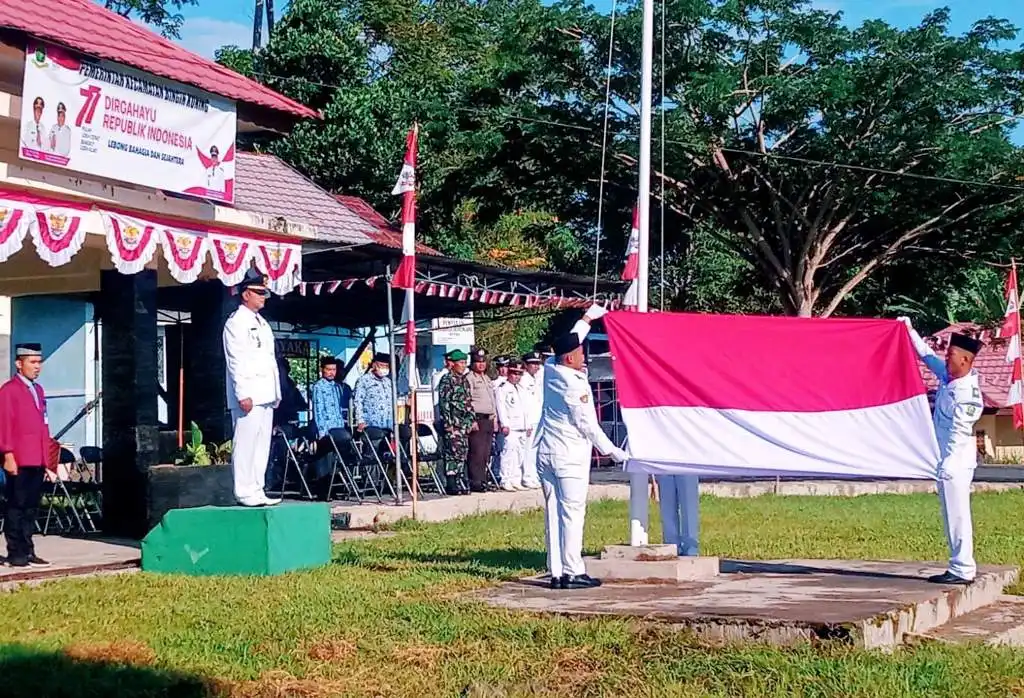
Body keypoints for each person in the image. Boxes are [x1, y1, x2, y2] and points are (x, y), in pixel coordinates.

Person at [535, 305, 627, 590]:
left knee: (553, 513)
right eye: (580, 354)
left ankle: (556, 572)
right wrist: (615, 452)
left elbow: (572, 337)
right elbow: (589, 426)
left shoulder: (551, 368)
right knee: (572, 513)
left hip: (545, 453)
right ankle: (573, 571)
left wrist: (588, 317)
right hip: (568, 457)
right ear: (570, 358)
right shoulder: (575, 386)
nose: (584, 357)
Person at [901, 318, 984, 584]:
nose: (945, 360)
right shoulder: (950, 378)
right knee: (952, 515)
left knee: (957, 516)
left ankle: (962, 568)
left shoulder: (967, 394)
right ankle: (960, 565)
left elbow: (959, 433)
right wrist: (910, 331)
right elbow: (926, 356)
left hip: (955, 461)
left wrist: (947, 464)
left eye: (951, 356)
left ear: (966, 361)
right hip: (948, 459)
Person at [223, 268, 282, 507]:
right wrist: (242, 393)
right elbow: (236, 360)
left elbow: (269, 360)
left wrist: (276, 391)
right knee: (246, 443)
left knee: (261, 444)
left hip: (265, 392)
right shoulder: (236, 323)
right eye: (259, 292)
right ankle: (243, 489)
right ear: (246, 294)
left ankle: (257, 488)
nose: (263, 297)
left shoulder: (263, 323)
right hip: (249, 393)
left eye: (265, 293)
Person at [0, 343, 56, 567]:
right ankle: (16, 552)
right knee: (17, 504)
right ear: (19, 364)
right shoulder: (9, 390)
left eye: (39, 362)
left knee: (31, 506)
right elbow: (4, 424)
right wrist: (7, 454)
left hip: (37, 457)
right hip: (19, 458)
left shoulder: (38, 390)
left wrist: (48, 459)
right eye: (32, 362)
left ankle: (28, 548)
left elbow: (43, 425)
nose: (37, 367)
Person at [438, 349, 474, 494]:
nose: (463, 365)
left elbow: (468, 402)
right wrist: (448, 424)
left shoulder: (464, 380)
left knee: (462, 453)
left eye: (465, 362)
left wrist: (470, 421)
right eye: (460, 362)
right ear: (452, 364)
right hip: (453, 423)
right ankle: (451, 484)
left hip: (463, 423)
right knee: (452, 453)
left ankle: (460, 481)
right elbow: (444, 403)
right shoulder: (447, 380)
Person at [495, 360, 535, 491]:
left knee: (520, 455)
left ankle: (516, 479)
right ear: (508, 373)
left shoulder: (521, 389)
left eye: (519, 374)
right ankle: (505, 480)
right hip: (511, 427)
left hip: (522, 426)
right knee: (508, 454)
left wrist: (528, 424)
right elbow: (501, 407)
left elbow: (526, 409)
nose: (516, 376)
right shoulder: (503, 388)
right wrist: (504, 424)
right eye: (514, 373)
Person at [466, 347, 498, 492]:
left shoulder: (487, 378)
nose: (481, 364)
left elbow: (492, 400)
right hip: (477, 419)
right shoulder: (469, 378)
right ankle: (475, 481)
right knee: (476, 453)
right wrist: (471, 419)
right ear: (472, 363)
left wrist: (494, 418)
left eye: (483, 362)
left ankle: (483, 479)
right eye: (478, 362)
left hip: (488, 420)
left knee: (486, 453)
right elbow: (467, 400)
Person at [519, 350, 545, 489]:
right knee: (528, 449)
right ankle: (527, 476)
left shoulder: (536, 378)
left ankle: (533, 474)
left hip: (538, 418)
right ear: (526, 365)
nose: (535, 366)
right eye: (532, 364)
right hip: (529, 419)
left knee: (536, 449)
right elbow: (523, 403)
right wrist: (527, 422)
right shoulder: (523, 379)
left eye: (537, 364)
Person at [353, 352, 394, 431]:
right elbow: (358, 401)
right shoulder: (364, 380)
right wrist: (360, 421)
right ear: (374, 365)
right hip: (371, 425)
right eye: (382, 366)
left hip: (388, 424)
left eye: (386, 366)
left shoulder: (388, 381)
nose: (384, 368)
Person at [311, 356, 349, 437]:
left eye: (334, 370)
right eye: (329, 370)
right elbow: (318, 410)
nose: (332, 372)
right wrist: (322, 431)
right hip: (326, 429)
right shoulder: (318, 386)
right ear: (322, 370)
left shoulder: (337, 386)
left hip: (339, 426)